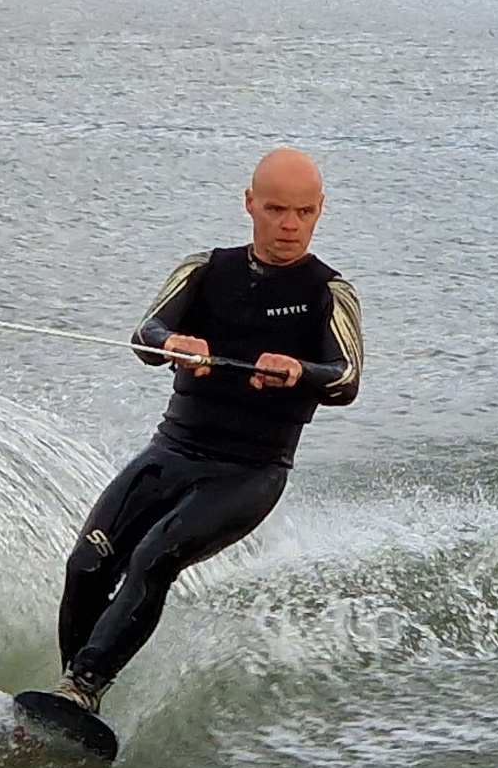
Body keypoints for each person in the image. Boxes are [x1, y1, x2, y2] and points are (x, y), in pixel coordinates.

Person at [51, 148, 364, 714]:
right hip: (172, 452)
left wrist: (299, 372)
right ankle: (68, 692)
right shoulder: (204, 271)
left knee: (155, 556)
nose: (289, 225)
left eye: (304, 212)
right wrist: (172, 343)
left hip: (250, 470)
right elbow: (146, 333)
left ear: (320, 211)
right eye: (276, 209)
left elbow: (346, 377)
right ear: (250, 205)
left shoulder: (328, 293)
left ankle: (85, 687)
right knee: (89, 562)